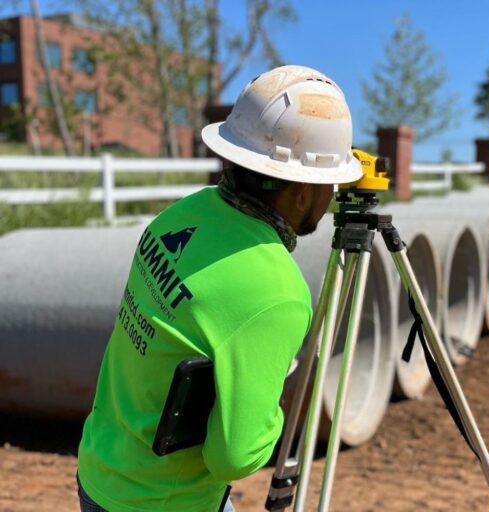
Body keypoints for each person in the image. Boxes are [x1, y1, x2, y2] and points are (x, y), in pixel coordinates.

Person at [76, 65, 363, 512]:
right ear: (303, 193)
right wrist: (270, 402)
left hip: (100, 471)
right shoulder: (276, 291)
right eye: (331, 184)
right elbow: (234, 457)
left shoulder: (180, 213)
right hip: (165, 502)